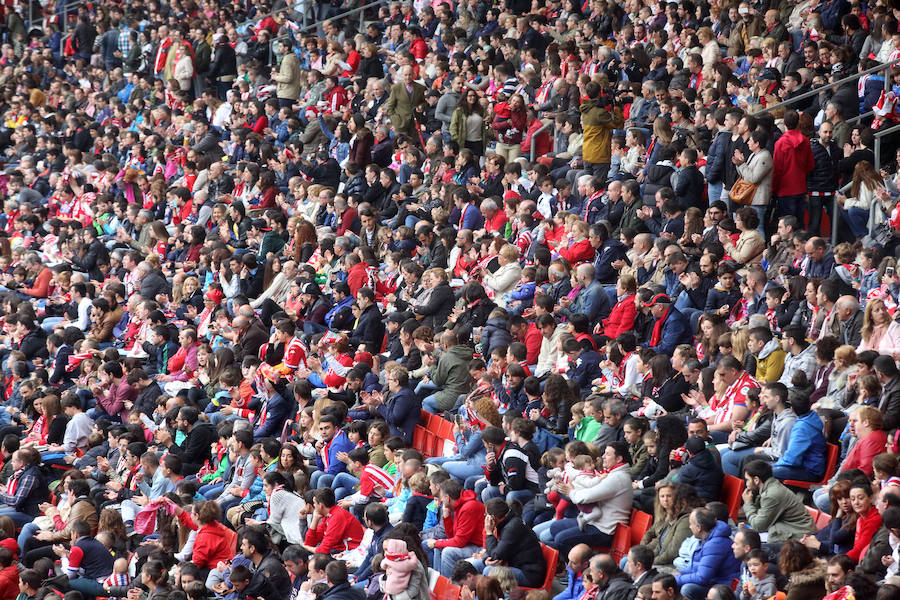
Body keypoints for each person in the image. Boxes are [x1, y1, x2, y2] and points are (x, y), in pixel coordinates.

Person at [741, 460, 817, 544]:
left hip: (800, 535)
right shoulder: (771, 487)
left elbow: (758, 526)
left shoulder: (771, 495)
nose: (746, 484)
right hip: (791, 529)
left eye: (747, 480)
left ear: (756, 480)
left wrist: (748, 503)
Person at [674, 508, 742, 600]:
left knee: (687, 588)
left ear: (698, 527)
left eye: (691, 524)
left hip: (724, 587)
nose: (690, 527)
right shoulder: (709, 538)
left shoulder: (715, 544)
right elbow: (698, 567)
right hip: (714, 581)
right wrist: (680, 573)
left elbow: (702, 577)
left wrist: (676, 579)